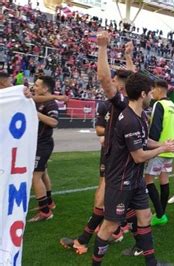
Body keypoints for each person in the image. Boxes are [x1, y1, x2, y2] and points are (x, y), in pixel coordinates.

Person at [91, 72, 174, 266]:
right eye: (149, 93)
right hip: (121, 181)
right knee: (110, 225)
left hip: (135, 178)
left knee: (145, 216)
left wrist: (163, 144)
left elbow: (144, 140)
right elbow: (139, 155)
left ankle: (152, 262)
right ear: (142, 94)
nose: (151, 96)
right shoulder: (130, 119)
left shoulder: (140, 115)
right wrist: (162, 148)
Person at [60, 32, 134, 254]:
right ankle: (120, 231)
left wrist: (102, 48)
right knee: (121, 199)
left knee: (104, 196)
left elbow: (111, 78)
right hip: (114, 153)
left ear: (120, 86)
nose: (110, 80)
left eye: (115, 80)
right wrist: (128, 55)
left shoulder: (123, 101)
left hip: (119, 157)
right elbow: (100, 128)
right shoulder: (114, 104)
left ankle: (85, 239)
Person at [145, 79, 174, 226]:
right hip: (170, 150)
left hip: (160, 149)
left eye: (153, 90)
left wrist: (150, 148)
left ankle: (159, 215)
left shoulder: (159, 104)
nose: (152, 93)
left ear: (159, 90)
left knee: (148, 181)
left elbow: (156, 129)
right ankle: (161, 213)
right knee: (164, 180)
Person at [28, 76, 59, 222]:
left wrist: (37, 114)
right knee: (43, 173)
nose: (34, 87)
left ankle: (45, 212)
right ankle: (49, 202)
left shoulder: (51, 104)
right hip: (38, 143)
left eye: (37, 85)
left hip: (43, 144)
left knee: (35, 176)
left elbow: (54, 122)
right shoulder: (38, 101)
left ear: (45, 88)